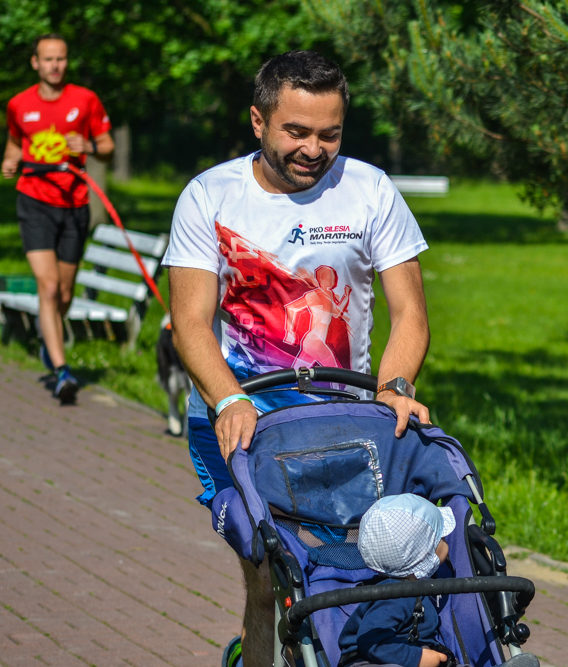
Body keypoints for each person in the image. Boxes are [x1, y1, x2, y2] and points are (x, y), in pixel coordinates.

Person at [163, 51, 432, 667]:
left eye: (330, 134)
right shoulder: (210, 197)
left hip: (344, 420)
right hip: (239, 417)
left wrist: (393, 385)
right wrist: (228, 396)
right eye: (298, 132)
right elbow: (191, 323)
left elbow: (410, 314)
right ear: (258, 122)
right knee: (268, 578)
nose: (315, 149)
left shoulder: (369, 190)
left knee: (349, 571)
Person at [2, 34, 115, 402]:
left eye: (61, 59)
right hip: (33, 200)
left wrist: (90, 147)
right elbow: (16, 142)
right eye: (48, 59)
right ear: (35, 62)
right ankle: (62, 370)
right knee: (47, 287)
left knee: (63, 293)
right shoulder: (19, 104)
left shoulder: (85, 100)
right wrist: (10, 160)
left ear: (67, 62)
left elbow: (108, 145)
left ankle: (46, 333)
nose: (55, 65)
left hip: (74, 204)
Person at [341, 494, 539, 667]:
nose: (446, 540)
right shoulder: (394, 596)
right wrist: (418, 658)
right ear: (425, 554)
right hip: (368, 661)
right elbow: (373, 642)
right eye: (441, 538)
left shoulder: (414, 589)